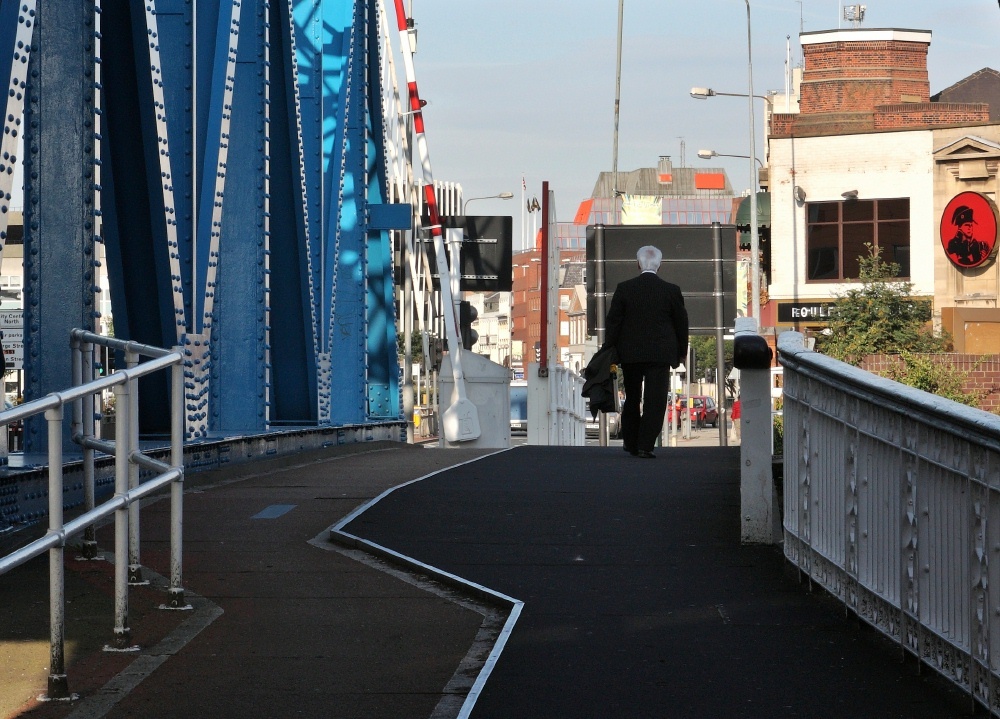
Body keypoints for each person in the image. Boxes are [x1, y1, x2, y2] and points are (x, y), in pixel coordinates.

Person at [603, 245, 689, 459]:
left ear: (638, 264)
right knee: (655, 400)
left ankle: (630, 442)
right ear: (660, 266)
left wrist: (609, 349)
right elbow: (681, 324)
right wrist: (681, 352)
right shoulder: (671, 290)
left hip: (630, 354)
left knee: (632, 398)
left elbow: (613, 323)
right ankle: (645, 445)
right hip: (660, 355)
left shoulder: (624, 288)